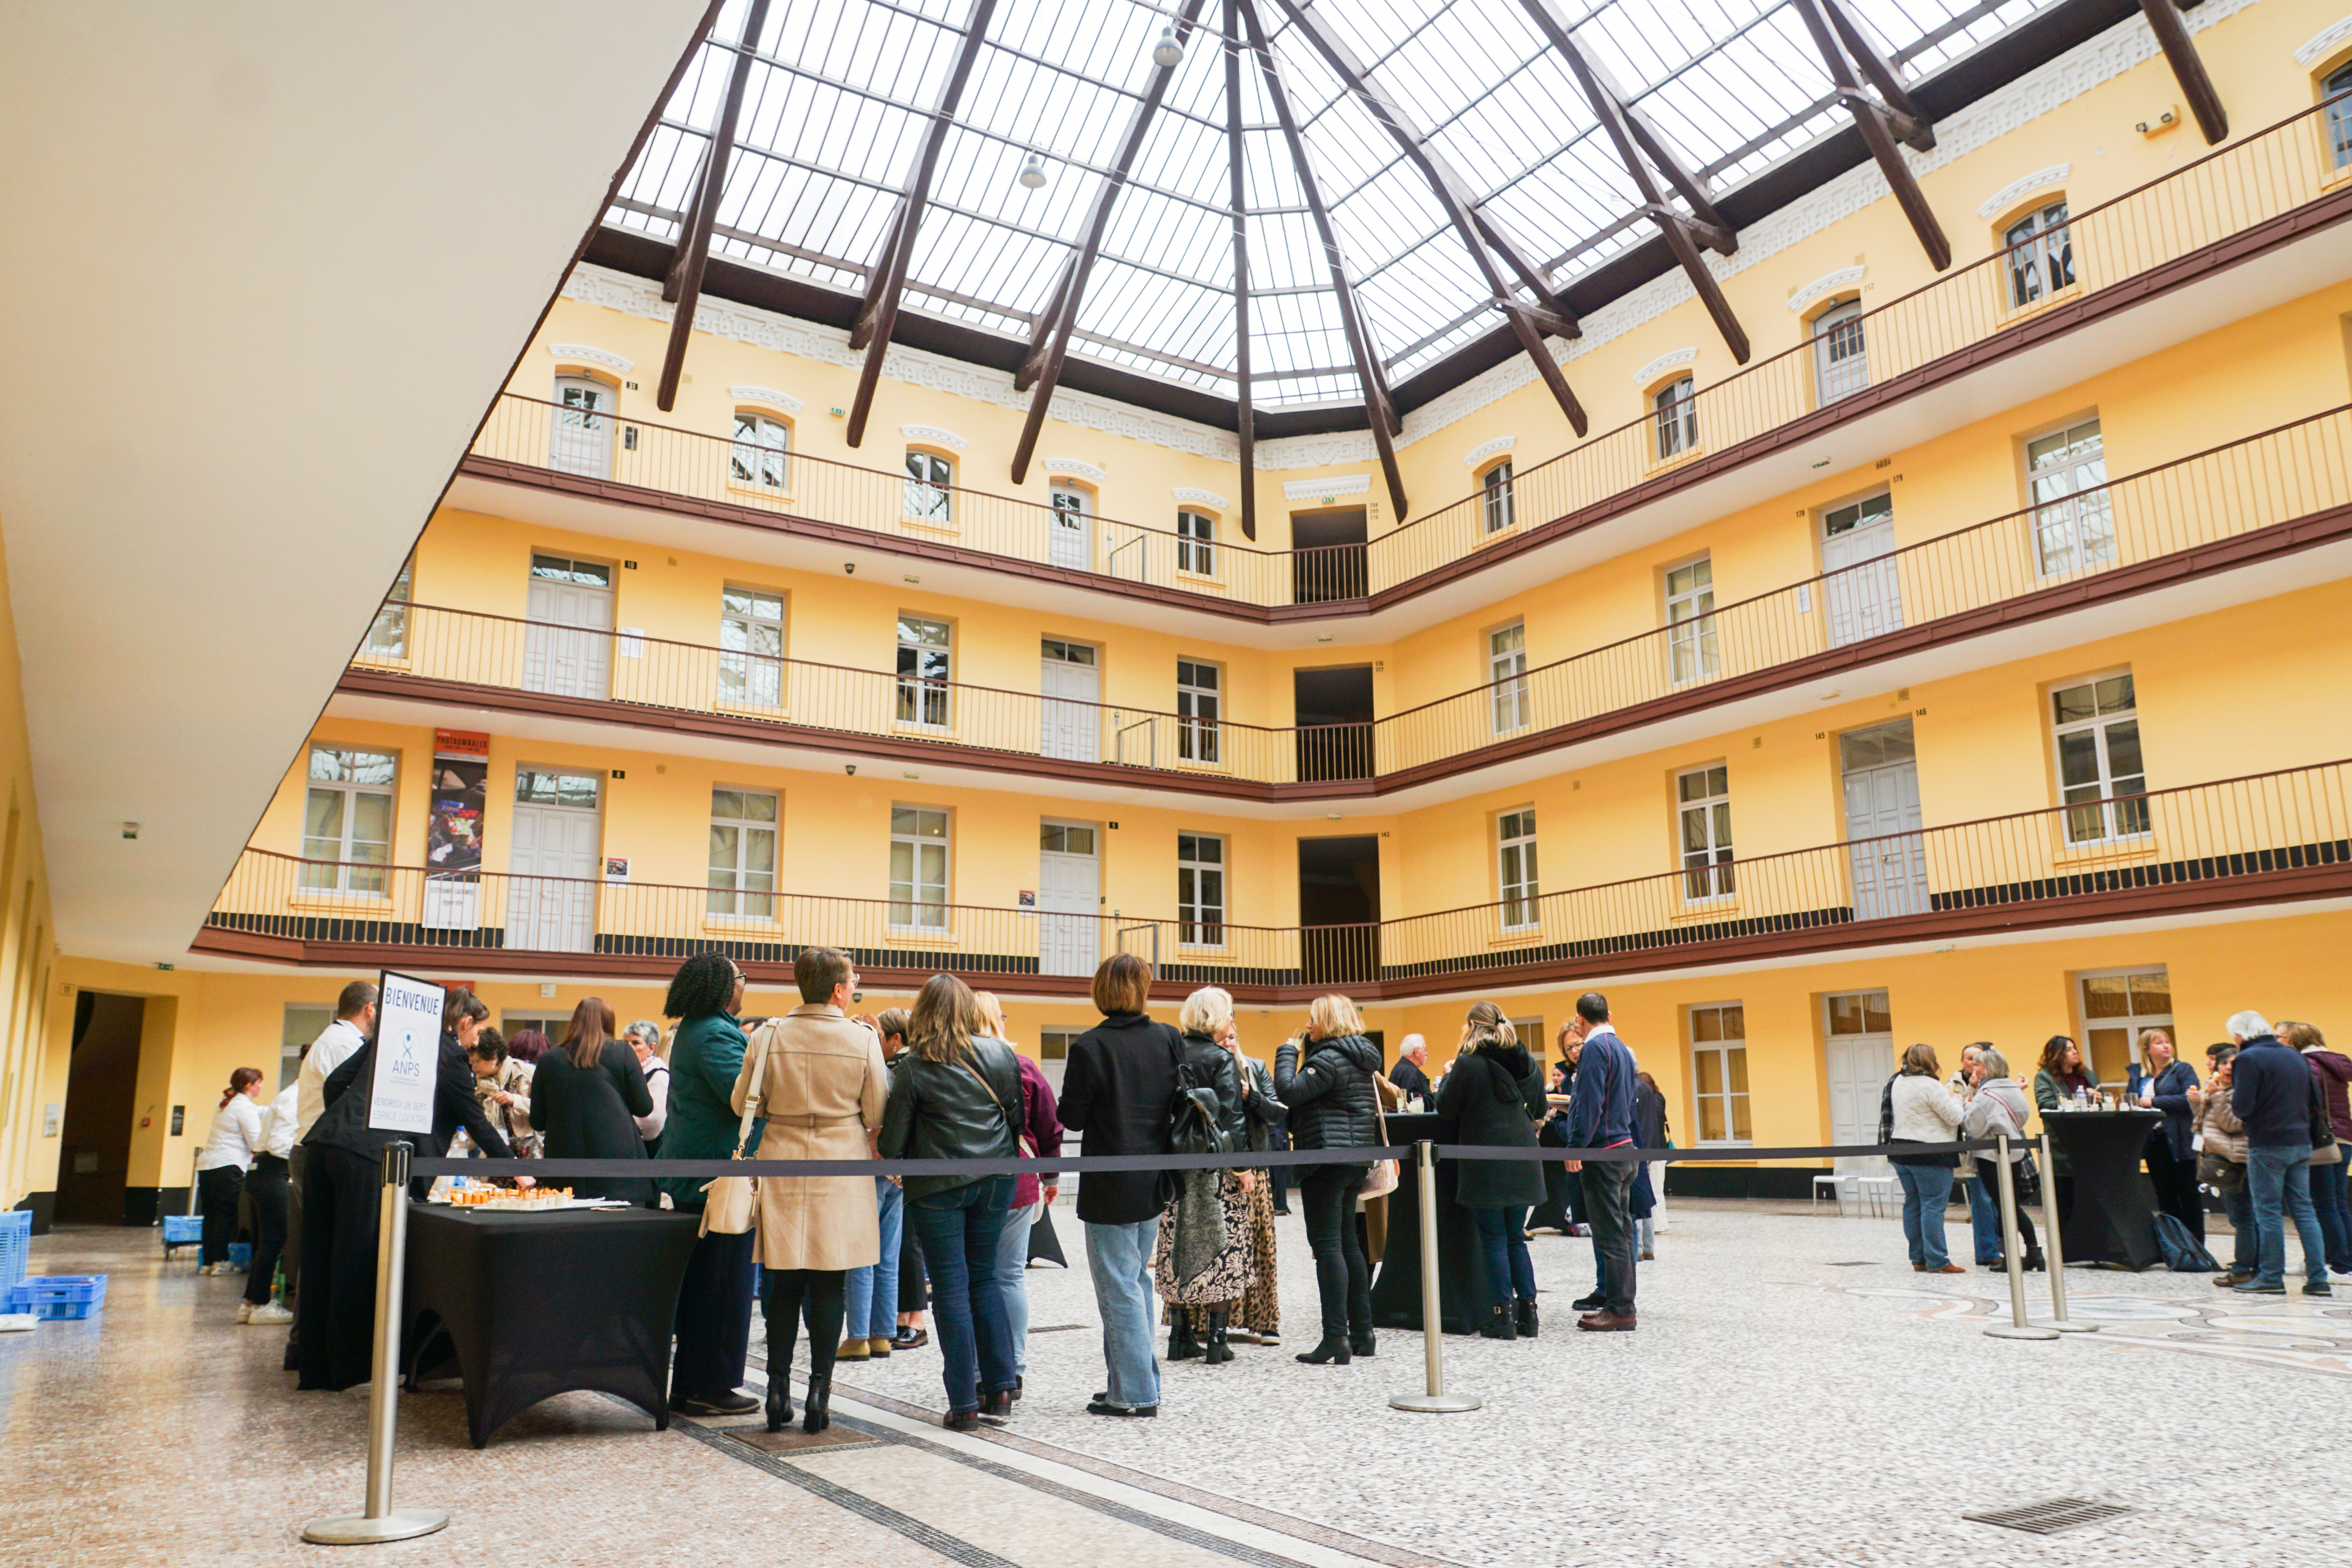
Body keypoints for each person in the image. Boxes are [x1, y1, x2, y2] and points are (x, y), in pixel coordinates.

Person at [299, 987, 512, 1391]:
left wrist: (350, 1123)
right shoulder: (449, 1054)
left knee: (320, 1258)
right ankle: (351, 1370)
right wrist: (516, 1169)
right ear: (465, 1022)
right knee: (358, 1262)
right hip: (369, 1158)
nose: (474, 1041)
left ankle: (315, 1367)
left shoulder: (392, 1034)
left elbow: (336, 1083)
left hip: (325, 1143)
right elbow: (476, 1120)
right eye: (476, 1032)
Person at [731, 947, 890, 1434]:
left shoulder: (769, 1034)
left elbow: (742, 1102)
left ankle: (777, 1389)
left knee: (783, 1280)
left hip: (782, 1156)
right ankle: (820, 1393)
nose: (855, 986)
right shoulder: (862, 1037)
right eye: (853, 980)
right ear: (839, 989)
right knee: (829, 1282)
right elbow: (877, 1110)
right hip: (840, 1163)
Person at [880, 974, 1023, 1430]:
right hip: (996, 1178)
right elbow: (1015, 1121)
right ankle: (1001, 1388)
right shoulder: (1000, 1052)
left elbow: (892, 1143)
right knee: (986, 1277)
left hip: (938, 1186)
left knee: (950, 1288)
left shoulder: (915, 1065)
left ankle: (963, 1403)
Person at [1060, 953, 1183, 1417]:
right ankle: (1130, 1381)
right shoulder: (1168, 1038)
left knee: (1119, 1287)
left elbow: (1072, 1117)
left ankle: (1134, 1392)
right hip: (1155, 1178)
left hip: (1109, 1183)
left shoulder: (1090, 1046)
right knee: (1134, 1281)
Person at [660, 953, 763, 1416]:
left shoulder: (696, 1029)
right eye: (741, 978)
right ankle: (711, 1384)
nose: (745, 984)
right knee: (722, 1287)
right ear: (723, 987)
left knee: (705, 1285)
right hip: (716, 1179)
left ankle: (690, 1384)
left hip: (696, 1175)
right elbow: (744, 1099)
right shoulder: (716, 1035)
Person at [1276, 993, 1385, 1364]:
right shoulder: (1361, 1058)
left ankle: (1336, 1337)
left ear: (1328, 1021)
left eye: (1313, 1019)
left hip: (1326, 1159)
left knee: (1327, 1248)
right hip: (1355, 1159)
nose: (1309, 1025)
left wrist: (1287, 1053)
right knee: (1349, 1245)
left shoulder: (1326, 1060)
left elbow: (1288, 1092)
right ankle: (1363, 1334)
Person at [1435, 1002, 1546, 1339]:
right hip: (1523, 1156)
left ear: (1472, 1025)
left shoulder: (1468, 1063)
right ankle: (1529, 1314)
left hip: (1486, 1159)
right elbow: (1540, 1107)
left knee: (1493, 1239)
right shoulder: (1525, 1060)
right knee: (1516, 1238)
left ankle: (1502, 1315)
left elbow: (1445, 1108)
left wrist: (1446, 1077)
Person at [1153, 987, 1252, 1365]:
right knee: (1223, 1249)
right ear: (1216, 1018)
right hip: (1215, 1167)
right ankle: (1216, 1340)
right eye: (1229, 1013)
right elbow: (1231, 1117)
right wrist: (1242, 1166)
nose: (1232, 1020)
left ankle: (1179, 1336)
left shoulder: (1171, 1052)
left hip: (1176, 1167)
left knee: (1174, 1243)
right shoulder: (1221, 1057)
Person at [972, 991, 1062, 1396]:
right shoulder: (1023, 1066)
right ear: (997, 1021)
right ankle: (1016, 1368)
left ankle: (981, 1370)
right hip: (1020, 1180)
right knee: (1010, 1276)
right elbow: (1049, 1125)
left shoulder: (953, 1067)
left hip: (970, 1183)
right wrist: (1050, 1176)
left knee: (977, 1278)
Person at [2226, 1011, 2328, 1296]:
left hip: (2268, 1143)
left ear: (2240, 1035)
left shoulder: (2248, 1058)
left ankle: (2271, 1277)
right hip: (2301, 1141)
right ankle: (2319, 1279)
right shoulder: (2295, 1055)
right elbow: (2316, 1099)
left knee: (2268, 1213)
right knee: (2305, 1211)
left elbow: (2243, 1107)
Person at [530, 998, 655, 1207]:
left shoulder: (549, 1059)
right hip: (619, 1169)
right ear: (609, 1023)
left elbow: (537, 1121)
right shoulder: (623, 1052)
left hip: (564, 1168)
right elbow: (643, 1108)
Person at [1563, 994, 1640, 1330]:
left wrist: (1576, 1147)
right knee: (1622, 1233)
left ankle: (1620, 1310)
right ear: (1609, 1014)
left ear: (1580, 1020)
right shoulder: (1621, 1048)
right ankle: (1622, 1303)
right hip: (1624, 1148)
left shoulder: (1594, 1049)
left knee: (1610, 1236)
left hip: (1604, 1153)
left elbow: (1590, 1102)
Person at [842, 1007, 910, 1363]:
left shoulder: (856, 1071)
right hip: (895, 1171)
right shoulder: (894, 1073)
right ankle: (882, 1334)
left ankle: (858, 1337)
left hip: (864, 1167)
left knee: (860, 1255)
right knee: (887, 1255)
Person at [1222, 1016, 1285, 1346]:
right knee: (1222, 1248)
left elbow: (1278, 1112)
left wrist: (1253, 1097)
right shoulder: (1208, 1067)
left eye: (1233, 1037)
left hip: (1256, 1168)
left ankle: (1265, 1321)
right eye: (1223, 1038)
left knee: (1260, 1245)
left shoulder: (1256, 1067)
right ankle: (1213, 1322)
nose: (1228, 1043)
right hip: (1219, 1170)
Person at [1884, 1042, 1965, 1275]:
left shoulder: (1897, 1082)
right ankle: (1938, 1260)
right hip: (1931, 1154)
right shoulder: (1931, 1085)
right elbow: (1955, 1117)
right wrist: (1958, 1099)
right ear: (1931, 1061)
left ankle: (1918, 1259)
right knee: (1933, 1206)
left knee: (1913, 1204)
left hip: (1901, 1150)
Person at [1960, 1047, 2043, 1271]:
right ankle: (2033, 1251)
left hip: (1990, 1156)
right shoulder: (2014, 1089)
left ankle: (2016, 1256)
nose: (1974, 1068)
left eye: (1978, 1064)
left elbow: (1973, 1128)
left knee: (2005, 1207)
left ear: (1988, 1068)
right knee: (2011, 1204)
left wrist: (1967, 1107)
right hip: (2014, 1153)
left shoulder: (1985, 1096)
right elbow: (2024, 1117)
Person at [2283, 1022, 2352, 1277]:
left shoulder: (2306, 1064)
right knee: (2339, 1203)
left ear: (2295, 1042)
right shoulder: (2337, 1062)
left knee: (2323, 1205)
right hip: (2344, 1137)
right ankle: (2343, 1261)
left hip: (2321, 1140)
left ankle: (2339, 1264)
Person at [2127, 1028, 2203, 1240]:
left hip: (2180, 1138)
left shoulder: (2182, 1070)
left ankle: (2197, 1245)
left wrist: (2153, 1102)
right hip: (2153, 1139)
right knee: (2164, 1193)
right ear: (2147, 1049)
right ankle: (2174, 1244)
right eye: (2159, 1043)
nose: (2166, 1046)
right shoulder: (2139, 1075)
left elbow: (2189, 1099)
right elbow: (2132, 1099)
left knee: (2188, 1193)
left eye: (2168, 1042)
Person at [196, 1067, 266, 1277]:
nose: (261, 1086)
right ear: (249, 1086)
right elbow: (256, 1141)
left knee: (211, 1216)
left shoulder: (227, 1104)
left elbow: (257, 1111)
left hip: (208, 1167)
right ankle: (221, 1261)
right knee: (225, 1216)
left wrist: (274, 1110)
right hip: (228, 1167)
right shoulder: (244, 1108)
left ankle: (209, 1262)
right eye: (259, 1083)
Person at [243, 1063, 299, 1325]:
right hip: (271, 1172)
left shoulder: (291, 1096)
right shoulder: (294, 1098)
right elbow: (278, 1144)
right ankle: (261, 1305)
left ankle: (249, 1302)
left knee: (267, 1241)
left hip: (264, 1171)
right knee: (275, 1240)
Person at [2197, 1044, 2256, 1286]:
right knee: (2243, 1218)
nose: (2229, 1068)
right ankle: (2252, 1264)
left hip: (2238, 1162)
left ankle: (2243, 1269)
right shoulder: (2222, 1090)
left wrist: (2217, 1097)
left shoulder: (2240, 1092)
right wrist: (2201, 1100)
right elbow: (2204, 1123)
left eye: (2235, 1063)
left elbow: (2232, 1124)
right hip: (2227, 1159)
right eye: (2225, 1063)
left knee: (2243, 1218)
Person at [2033, 1035, 2098, 1222]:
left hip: (2089, 1143)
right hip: (2062, 1145)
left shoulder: (2086, 1075)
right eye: (2069, 1049)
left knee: (2090, 1206)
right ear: (2057, 1055)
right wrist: (2075, 1102)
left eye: (2074, 1048)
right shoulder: (2045, 1077)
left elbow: (2097, 1100)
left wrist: (2098, 1098)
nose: (2075, 1052)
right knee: (2066, 1203)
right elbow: (2045, 1105)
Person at [1949, 1044, 2003, 1265]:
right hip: (1973, 1153)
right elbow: (1958, 1115)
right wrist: (1971, 1090)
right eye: (1969, 1058)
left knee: (1998, 1201)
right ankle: (1987, 1253)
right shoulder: (1954, 1085)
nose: (1973, 1062)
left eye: (1977, 1058)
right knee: (1982, 1202)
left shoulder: (1994, 1081)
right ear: (1962, 1062)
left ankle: (2001, 1247)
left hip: (1996, 1149)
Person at [465, 1026, 538, 1158]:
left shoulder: (526, 1073)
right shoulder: (481, 1086)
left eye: (477, 1062)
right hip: (496, 1156)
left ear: (493, 1056)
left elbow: (547, 1111)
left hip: (529, 1154)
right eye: (471, 1063)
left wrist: (515, 1101)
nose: (473, 1068)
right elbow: (476, 1125)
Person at [1633, 1069, 1669, 1262]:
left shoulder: (1644, 1098)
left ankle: (1650, 1238)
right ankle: (1651, 1241)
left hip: (1648, 1150)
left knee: (1650, 1194)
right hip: (1655, 1149)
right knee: (1653, 1193)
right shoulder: (1657, 1099)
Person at [623, 1020, 669, 1156]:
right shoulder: (627, 1071)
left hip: (647, 1149)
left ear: (652, 1048)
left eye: (636, 1043)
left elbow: (653, 1122)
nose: (628, 1048)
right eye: (625, 1043)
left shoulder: (658, 1074)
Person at [1389, 1034, 1432, 1108]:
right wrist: (1434, 1096)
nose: (1427, 1053)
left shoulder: (1399, 1069)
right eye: (1425, 1050)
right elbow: (1417, 1104)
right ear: (1417, 1052)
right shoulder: (1411, 1073)